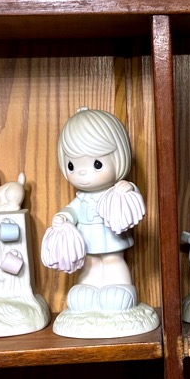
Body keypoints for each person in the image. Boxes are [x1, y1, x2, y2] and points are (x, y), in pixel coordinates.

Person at [41, 107, 145, 313]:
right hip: (88, 240)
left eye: (97, 164)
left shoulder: (117, 191)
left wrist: (128, 188)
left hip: (111, 238)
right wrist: (64, 217)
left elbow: (133, 202)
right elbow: (73, 210)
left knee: (113, 261)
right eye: (72, 166)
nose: (82, 173)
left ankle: (121, 288)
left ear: (120, 158)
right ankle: (88, 289)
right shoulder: (82, 198)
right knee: (90, 265)